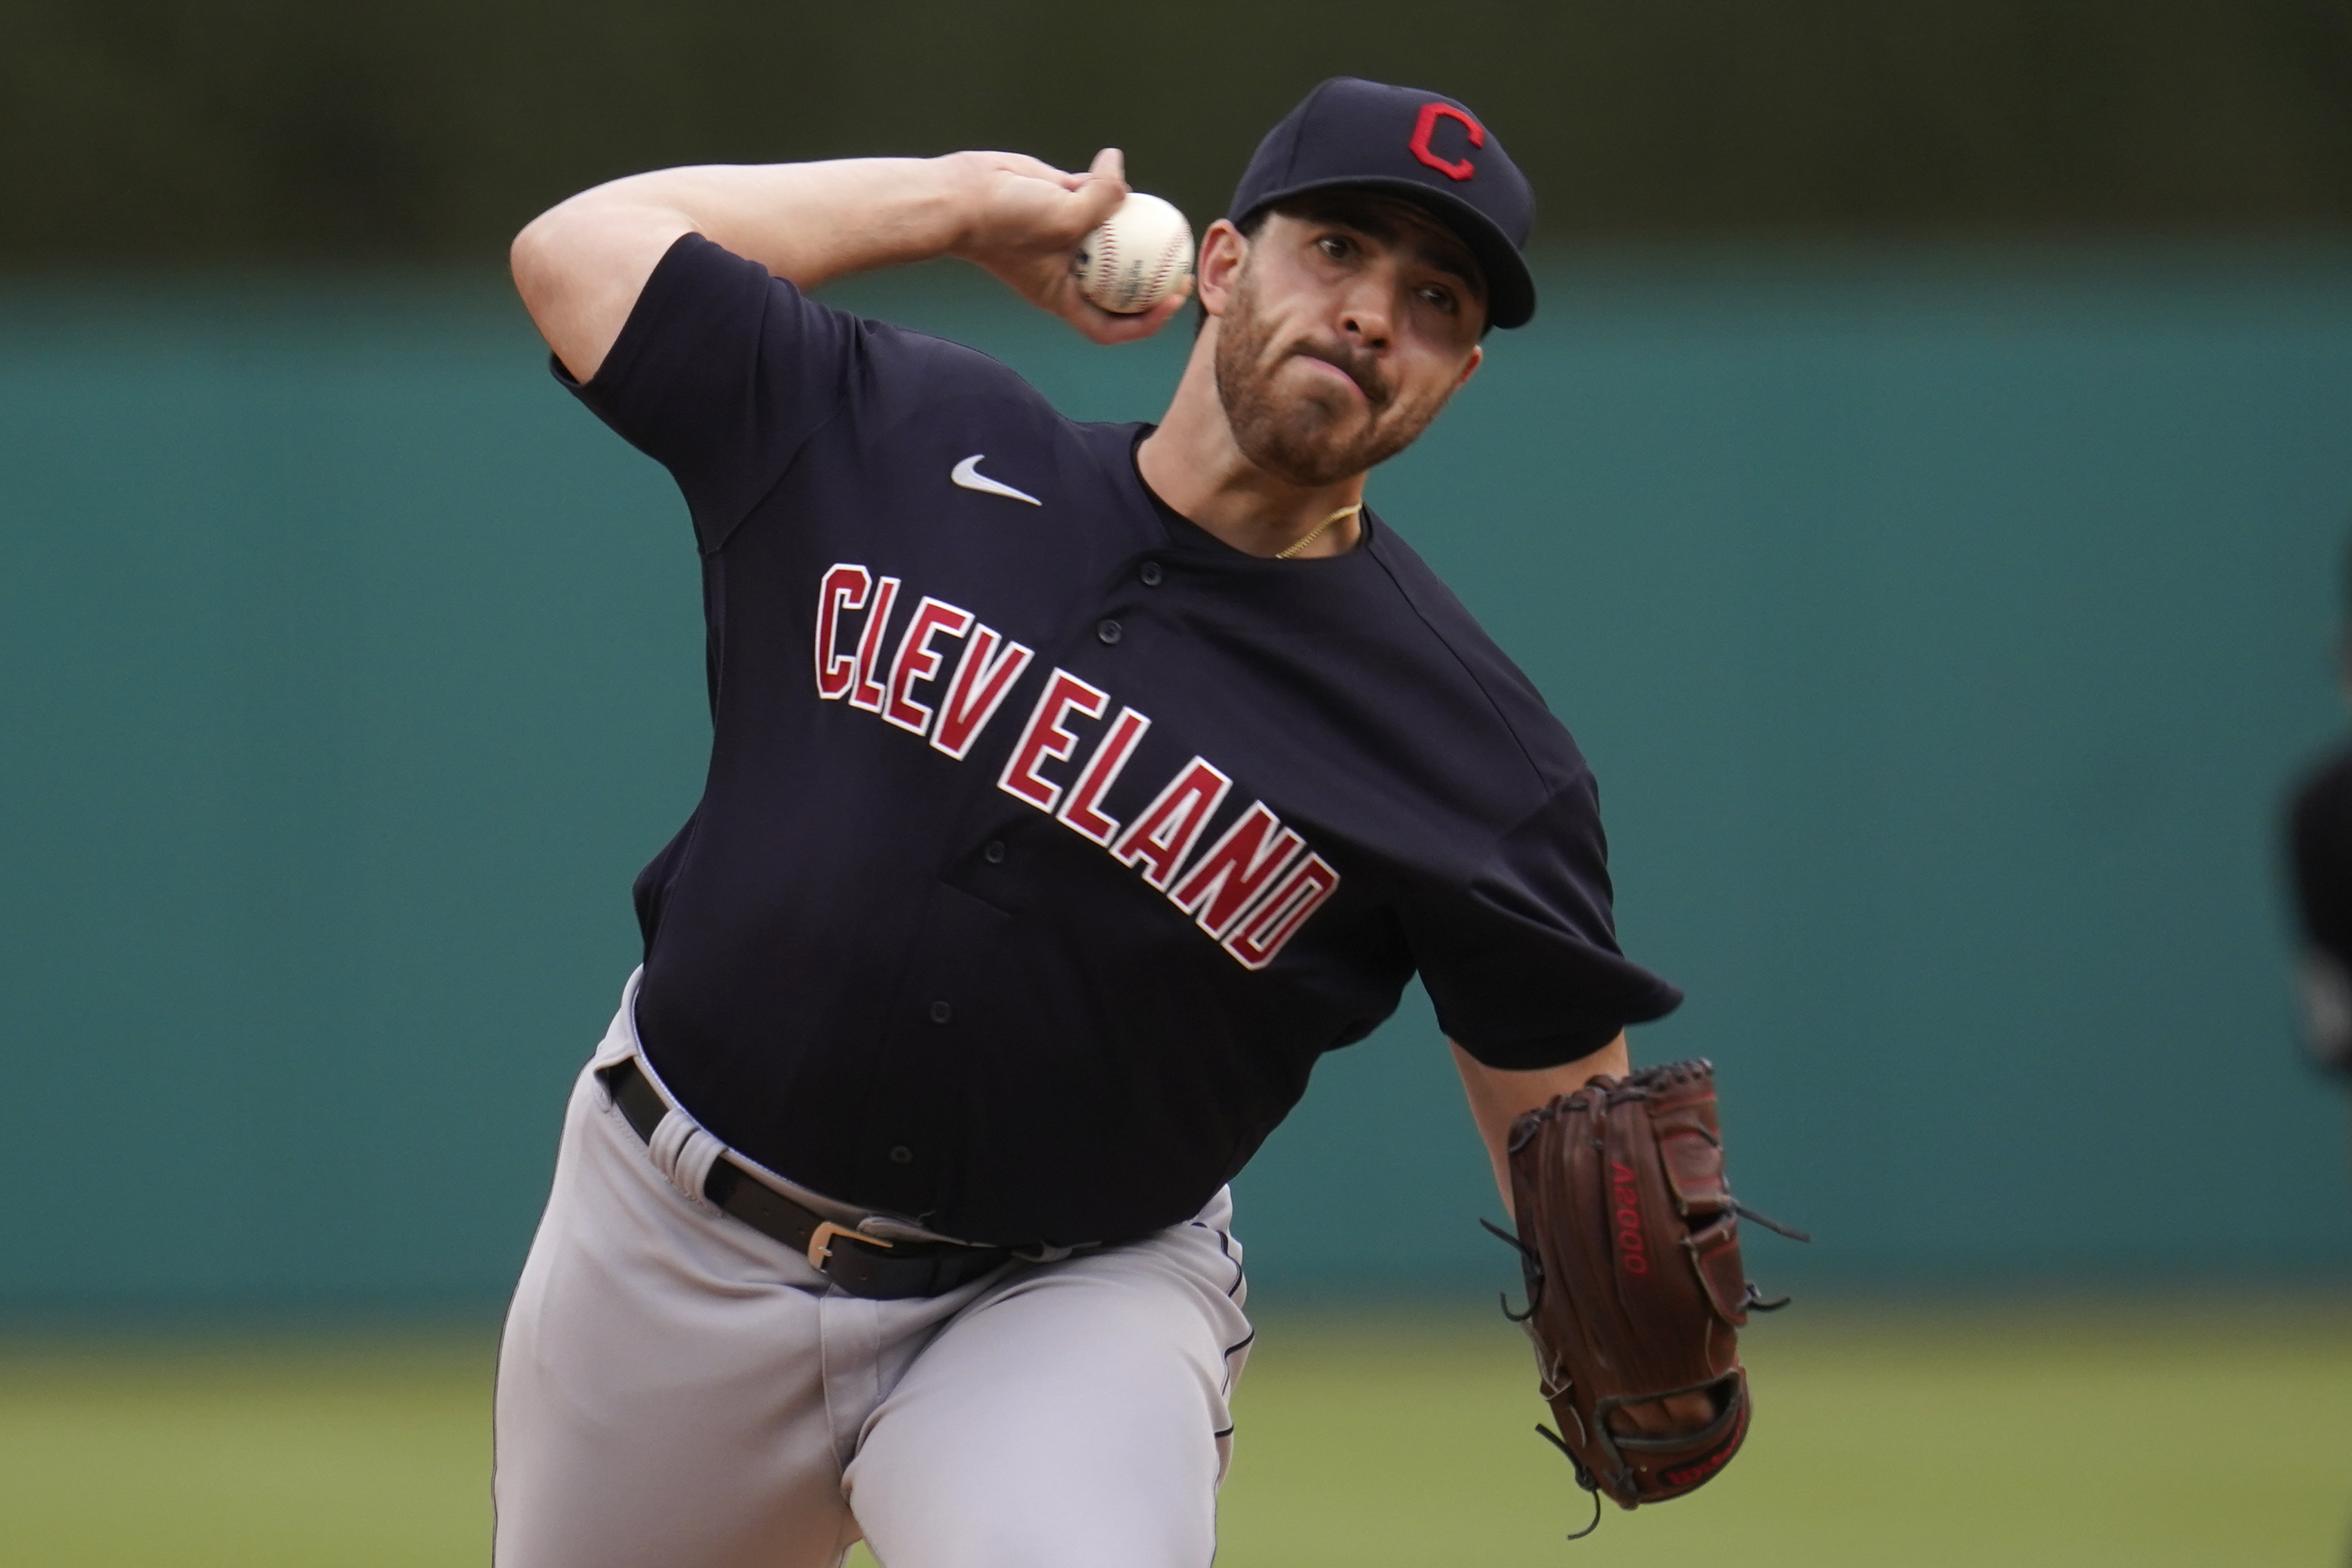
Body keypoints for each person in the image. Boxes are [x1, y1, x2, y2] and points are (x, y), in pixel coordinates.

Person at [495, 76, 1686, 1568]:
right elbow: (581, 250)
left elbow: (1576, 1144)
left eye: (1437, 299)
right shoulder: (897, 432)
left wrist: (1623, 1283)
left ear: (1457, 377)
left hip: (1066, 1302)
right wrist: (966, 201)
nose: (1377, 313)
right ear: (1224, 262)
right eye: (1338, 250)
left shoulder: (1472, 753)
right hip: (669, 1242)